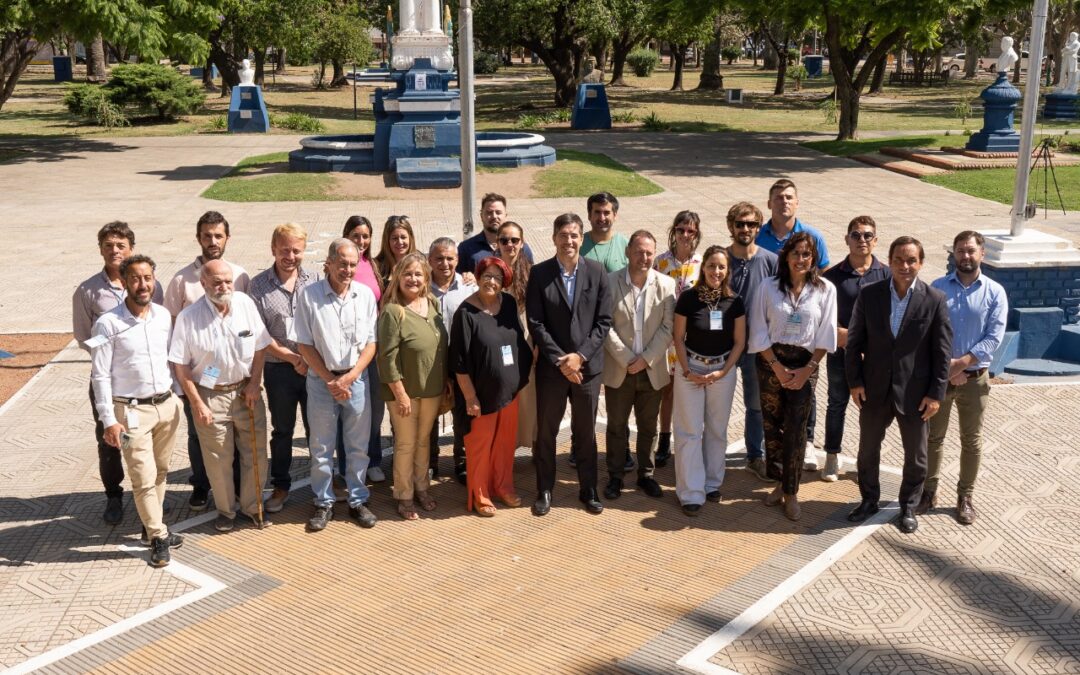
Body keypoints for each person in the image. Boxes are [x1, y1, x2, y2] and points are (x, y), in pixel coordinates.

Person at [846, 236, 952, 534]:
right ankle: (869, 500)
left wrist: (935, 394)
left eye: (911, 261)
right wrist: (855, 382)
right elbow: (854, 343)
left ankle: (908, 506)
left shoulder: (934, 300)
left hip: (916, 394)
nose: (905, 266)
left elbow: (942, 352)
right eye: (899, 260)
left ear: (920, 263)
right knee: (867, 451)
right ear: (889, 262)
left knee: (917, 456)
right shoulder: (870, 295)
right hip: (874, 388)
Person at [89, 254, 181, 567]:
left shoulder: (164, 316)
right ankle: (158, 535)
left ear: (154, 282)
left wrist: (178, 399)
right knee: (142, 476)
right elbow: (99, 375)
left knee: (161, 470)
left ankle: (150, 526)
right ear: (125, 282)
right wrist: (108, 421)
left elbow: (171, 358)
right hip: (130, 414)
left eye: (147, 278)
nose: (142, 285)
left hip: (166, 407)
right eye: (135, 279)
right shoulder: (107, 324)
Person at [170, 260, 272, 531]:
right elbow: (180, 365)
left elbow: (261, 345)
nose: (223, 287)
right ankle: (226, 512)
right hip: (209, 395)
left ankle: (253, 507)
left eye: (227, 281)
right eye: (217, 282)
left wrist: (254, 383)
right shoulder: (188, 317)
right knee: (218, 460)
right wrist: (197, 403)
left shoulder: (245, 304)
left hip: (245, 391)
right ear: (203, 283)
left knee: (256, 452)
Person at [73, 221, 162, 525]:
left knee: (146, 445)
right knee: (110, 440)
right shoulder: (88, 290)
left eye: (120, 245)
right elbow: (85, 336)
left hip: (144, 385)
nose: (114, 250)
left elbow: (154, 322)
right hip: (109, 381)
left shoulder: (148, 282)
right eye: (109, 245)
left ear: (130, 249)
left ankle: (148, 500)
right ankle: (114, 496)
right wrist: (114, 353)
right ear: (100, 249)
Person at [526, 213, 612, 516]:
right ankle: (545, 489)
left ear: (581, 238)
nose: (569, 241)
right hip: (553, 369)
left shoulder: (598, 272)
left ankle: (588, 489)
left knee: (586, 431)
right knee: (547, 431)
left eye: (574, 235)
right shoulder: (539, 274)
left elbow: (603, 322)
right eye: (563, 235)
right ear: (554, 239)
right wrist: (562, 360)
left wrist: (580, 357)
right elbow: (535, 323)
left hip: (587, 369)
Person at [163, 210, 250, 510]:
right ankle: (201, 485)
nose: (212, 241)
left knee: (235, 436)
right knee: (197, 433)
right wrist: (179, 379)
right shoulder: (181, 280)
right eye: (207, 236)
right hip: (198, 378)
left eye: (218, 235)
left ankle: (236, 486)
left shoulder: (239, 275)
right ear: (198, 238)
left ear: (227, 237)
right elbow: (170, 328)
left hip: (233, 376)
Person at [748, 233, 837, 521]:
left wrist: (806, 371)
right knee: (772, 428)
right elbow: (758, 327)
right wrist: (776, 366)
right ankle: (779, 483)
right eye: (796, 253)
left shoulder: (825, 289)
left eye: (807, 254)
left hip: (805, 365)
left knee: (796, 430)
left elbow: (826, 334)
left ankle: (792, 490)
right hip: (771, 363)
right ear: (786, 256)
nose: (801, 259)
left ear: (813, 258)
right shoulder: (768, 287)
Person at [295, 239, 379, 532]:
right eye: (342, 263)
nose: (347, 269)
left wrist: (351, 376)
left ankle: (357, 499)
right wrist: (331, 380)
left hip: (355, 380)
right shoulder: (309, 296)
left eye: (353, 264)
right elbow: (304, 344)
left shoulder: (365, 295)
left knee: (357, 446)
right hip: (321, 381)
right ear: (329, 263)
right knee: (321, 447)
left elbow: (372, 343)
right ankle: (324, 501)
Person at [924, 231, 1007, 525]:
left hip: (975, 380)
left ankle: (965, 496)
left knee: (971, 441)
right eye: (960, 251)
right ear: (954, 254)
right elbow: (928, 332)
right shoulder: (937, 288)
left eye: (971, 251)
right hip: (940, 379)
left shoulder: (995, 292)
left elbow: (993, 337)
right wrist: (947, 369)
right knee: (933, 437)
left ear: (982, 253)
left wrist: (961, 365)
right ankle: (929, 491)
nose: (966, 256)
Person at [755, 180, 829, 471]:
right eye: (778, 198)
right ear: (769, 203)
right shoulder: (760, 236)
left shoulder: (813, 236)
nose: (784, 202)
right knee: (764, 401)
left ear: (797, 202)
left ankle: (806, 443)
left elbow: (820, 274)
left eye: (789, 197)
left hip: (803, 339)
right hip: (772, 329)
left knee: (803, 400)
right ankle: (762, 449)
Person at [450, 256, 533, 516]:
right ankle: (480, 494)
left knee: (505, 443)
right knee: (479, 446)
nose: (491, 281)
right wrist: (470, 396)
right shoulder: (465, 313)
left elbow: (518, 338)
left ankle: (502, 486)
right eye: (487, 275)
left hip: (510, 391)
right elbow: (459, 361)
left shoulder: (507, 303)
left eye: (497, 277)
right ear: (478, 276)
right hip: (480, 396)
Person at [249, 223, 319, 513]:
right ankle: (280, 485)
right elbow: (260, 335)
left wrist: (308, 359)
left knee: (319, 428)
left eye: (296, 250)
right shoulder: (258, 285)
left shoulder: (314, 280)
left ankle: (324, 482)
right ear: (273, 250)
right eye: (285, 250)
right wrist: (293, 358)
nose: (290, 256)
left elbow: (321, 324)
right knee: (283, 431)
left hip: (314, 368)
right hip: (279, 369)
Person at [673, 245, 746, 515]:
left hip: (721, 372)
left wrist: (724, 371)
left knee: (716, 429)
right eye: (712, 265)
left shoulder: (734, 302)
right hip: (691, 369)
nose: (716, 271)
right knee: (689, 431)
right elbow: (678, 338)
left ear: (728, 271)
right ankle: (691, 492)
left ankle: (712, 483)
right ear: (703, 267)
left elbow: (739, 342)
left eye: (721, 267)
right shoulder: (689, 298)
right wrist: (687, 370)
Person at [603, 230, 675, 501]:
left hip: (651, 368)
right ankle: (615, 476)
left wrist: (646, 358)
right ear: (628, 253)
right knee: (616, 426)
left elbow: (668, 326)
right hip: (620, 369)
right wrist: (626, 358)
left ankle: (646, 475)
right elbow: (605, 324)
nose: (644, 258)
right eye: (638, 252)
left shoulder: (666, 285)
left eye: (648, 252)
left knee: (648, 427)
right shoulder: (610, 283)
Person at [378, 252, 449, 521]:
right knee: (406, 444)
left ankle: (422, 488)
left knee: (423, 442)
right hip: (404, 394)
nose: (413, 279)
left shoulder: (431, 303)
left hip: (431, 389)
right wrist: (400, 394)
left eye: (418, 274)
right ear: (398, 278)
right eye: (407, 274)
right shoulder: (393, 311)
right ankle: (404, 496)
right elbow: (386, 358)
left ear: (426, 278)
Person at [820, 216, 890, 481]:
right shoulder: (833, 276)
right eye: (856, 235)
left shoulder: (886, 274)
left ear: (876, 240)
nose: (862, 240)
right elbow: (826, 314)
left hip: (874, 357)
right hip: (841, 354)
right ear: (847, 239)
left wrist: (867, 342)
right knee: (836, 402)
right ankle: (831, 456)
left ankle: (867, 460)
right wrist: (847, 337)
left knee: (871, 409)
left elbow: (890, 316)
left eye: (868, 235)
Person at [725, 202, 777, 481]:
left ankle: (755, 456)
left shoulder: (771, 261)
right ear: (730, 226)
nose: (745, 229)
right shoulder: (720, 258)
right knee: (715, 404)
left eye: (751, 224)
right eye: (740, 224)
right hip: (722, 346)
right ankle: (709, 453)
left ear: (759, 227)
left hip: (757, 347)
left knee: (756, 405)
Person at [652, 211, 703, 468]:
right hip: (664, 336)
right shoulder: (660, 262)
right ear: (674, 231)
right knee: (667, 390)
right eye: (681, 230)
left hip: (691, 339)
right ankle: (664, 438)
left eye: (690, 231)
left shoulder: (703, 264)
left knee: (690, 390)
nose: (685, 235)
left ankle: (691, 441)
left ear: (697, 234)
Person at [428, 237, 476, 483]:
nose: (444, 263)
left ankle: (462, 461)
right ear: (430, 261)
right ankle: (430, 461)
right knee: (429, 414)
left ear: (458, 260)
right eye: (439, 258)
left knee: (462, 412)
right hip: (430, 364)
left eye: (449, 258)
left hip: (460, 362)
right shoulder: (420, 288)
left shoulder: (470, 288)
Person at [342, 215, 386, 484]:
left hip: (374, 349)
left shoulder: (374, 265)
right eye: (355, 235)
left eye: (365, 236)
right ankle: (346, 464)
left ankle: (374, 459)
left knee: (374, 409)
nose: (360, 241)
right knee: (349, 412)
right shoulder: (340, 264)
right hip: (346, 353)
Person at [497, 221, 537, 450]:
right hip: (498, 346)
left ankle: (529, 442)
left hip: (524, 345)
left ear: (522, 243)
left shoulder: (532, 273)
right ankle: (504, 447)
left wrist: (536, 345)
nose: (509, 244)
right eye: (504, 240)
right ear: (497, 243)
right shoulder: (489, 270)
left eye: (514, 240)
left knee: (527, 398)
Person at [457, 192, 535, 274]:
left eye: (498, 212)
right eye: (489, 212)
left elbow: (530, 279)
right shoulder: (466, 248)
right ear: (481, 216)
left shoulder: (521, 248)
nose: (494, 216)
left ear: (505, 215)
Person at [581, 192, 630, 273]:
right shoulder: (578, 244)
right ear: (589, 215)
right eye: (597, 212)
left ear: (614, 215)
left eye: (606, 213)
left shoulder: (625, 244)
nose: (602, 218)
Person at [373, 215, 417, 289]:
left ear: (410, 238)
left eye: (403, 237)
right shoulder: (377, 266)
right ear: (387, 240)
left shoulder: (419, 261)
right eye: (394, 238)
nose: (400, 242)